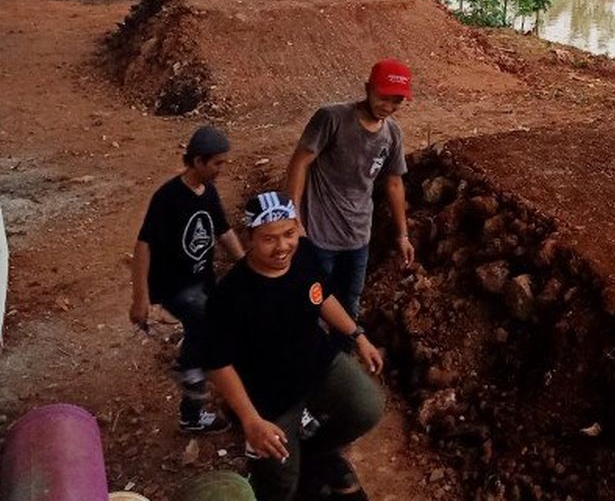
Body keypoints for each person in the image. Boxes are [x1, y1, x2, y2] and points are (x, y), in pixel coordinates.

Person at [204, 191, 385, 501]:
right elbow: (216, 363)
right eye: (269, 239)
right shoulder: (231, 295)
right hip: (270, 395)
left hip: (317, 363)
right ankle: (282, 469)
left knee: (367, 406)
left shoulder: (304, 255)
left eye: (289, 234)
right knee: (281, 483)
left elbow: (322, 296)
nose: (282, 246)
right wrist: (251, 421)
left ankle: (316, 451)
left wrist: (358, 336)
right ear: (250, 238)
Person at [129, 124, 244, 433]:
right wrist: (139, 298)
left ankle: (192, 412)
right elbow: (143, 245)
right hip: (174, 286)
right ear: (197, 161)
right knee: (206, 321)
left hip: (202, 279)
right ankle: (189, 371)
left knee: (219, 322)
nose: (222, 168)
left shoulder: (209, 192)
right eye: (217, 163)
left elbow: (223, 231)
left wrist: (247, 266)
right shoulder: (168, 198)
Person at [285, 60, 414, 322]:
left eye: (396, 101)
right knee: (312, 303)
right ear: (368, 88)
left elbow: (394, 183)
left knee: (350, 302)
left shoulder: (392, 134)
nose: (388, 107)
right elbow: (300, 162)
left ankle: (342, 354)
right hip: (320, 236)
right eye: (383, 98)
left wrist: (403, 235)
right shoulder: (332, 118)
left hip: (358, 238)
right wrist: (293, 218)